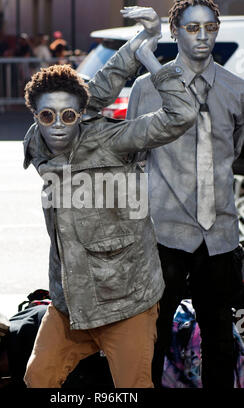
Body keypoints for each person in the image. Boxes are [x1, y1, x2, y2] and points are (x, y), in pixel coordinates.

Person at [22, 7, 196, 388]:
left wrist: (149, 55)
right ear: (35, 115)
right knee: (38, 379)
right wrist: (135, 42)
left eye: (68, 116)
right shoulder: (36, 142)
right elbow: (95, 88)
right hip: (70, 304)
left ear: (80, 116)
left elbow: (180, 114)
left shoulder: (112, 140)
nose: (57, 126)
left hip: (126, 301)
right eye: (47, 116)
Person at [126, 0, 244, 388]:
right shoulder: (146, 89)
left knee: (220, 338)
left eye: (210, 28)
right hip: (164, 234)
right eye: (193, 28)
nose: (203, 37)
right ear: (174, 32)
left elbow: (236, 151)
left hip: (220, 233)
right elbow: (134, 156)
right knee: (152, 335)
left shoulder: (235, 89)